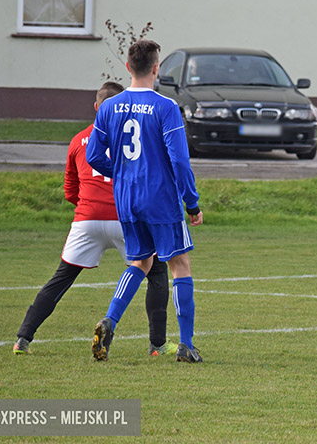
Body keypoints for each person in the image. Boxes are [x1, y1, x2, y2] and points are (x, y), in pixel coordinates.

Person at [12, 82, 176, 357]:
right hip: (126, 217)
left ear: (96, 107)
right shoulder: (135, 137)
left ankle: (22, 339)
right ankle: (157, 345)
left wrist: (88, 207)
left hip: (86, 220)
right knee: (156, 271)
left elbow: (70, 190)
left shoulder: (79, 140)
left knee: (61, 278)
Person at [86, 40, 204, 363]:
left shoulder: (109, 107)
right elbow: (180, 162)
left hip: (126, 198)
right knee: (179, 264)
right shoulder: (166, 108)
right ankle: (186, 344)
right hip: (160, 198)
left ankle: (109, 321)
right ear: (156, 68)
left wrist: (123, 172)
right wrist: (192, 203)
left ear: (127, 68)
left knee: (140, 262)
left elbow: (93, 154)